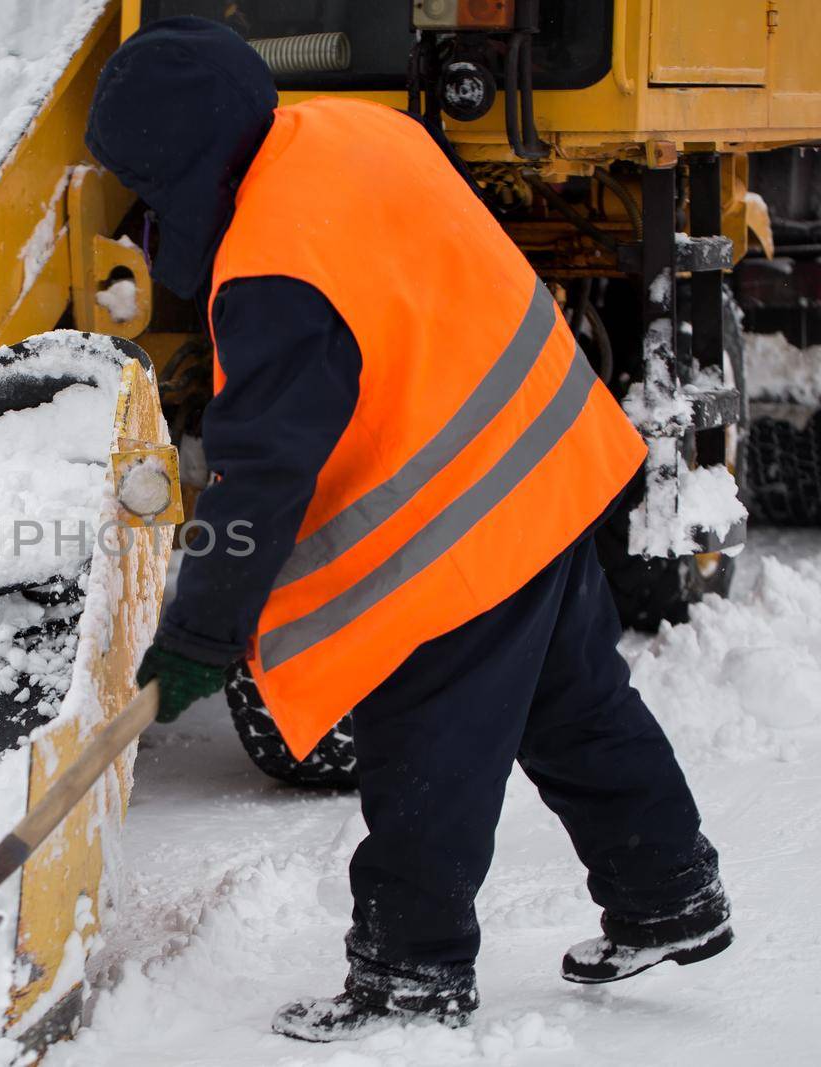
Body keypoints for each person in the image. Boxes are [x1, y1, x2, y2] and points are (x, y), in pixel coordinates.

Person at [88, 17, 732, 1043]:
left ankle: (410, 972)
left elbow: (259, 476)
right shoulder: (352, 132)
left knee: (424, 750)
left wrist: (202, 634)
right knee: (576, 708)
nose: (145, 208)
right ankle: (668, 892)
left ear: (187, 159)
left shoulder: (270, 272)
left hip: (457, 523)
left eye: (148, 182)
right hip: (543, 456)